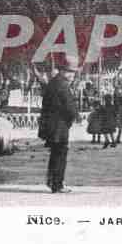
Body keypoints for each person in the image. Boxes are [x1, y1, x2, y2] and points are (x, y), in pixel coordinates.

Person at [38, 55, 80, 193]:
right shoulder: (62, 85)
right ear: (62, 71)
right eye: (70, 72)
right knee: (60, 154)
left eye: (73, 72)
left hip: (52, 125)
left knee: (55, 154)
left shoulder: (54, 82)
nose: (73, 75)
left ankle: (53, 182)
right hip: (59, 126)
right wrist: (76, 117)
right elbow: (69, 106)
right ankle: (58, 184)